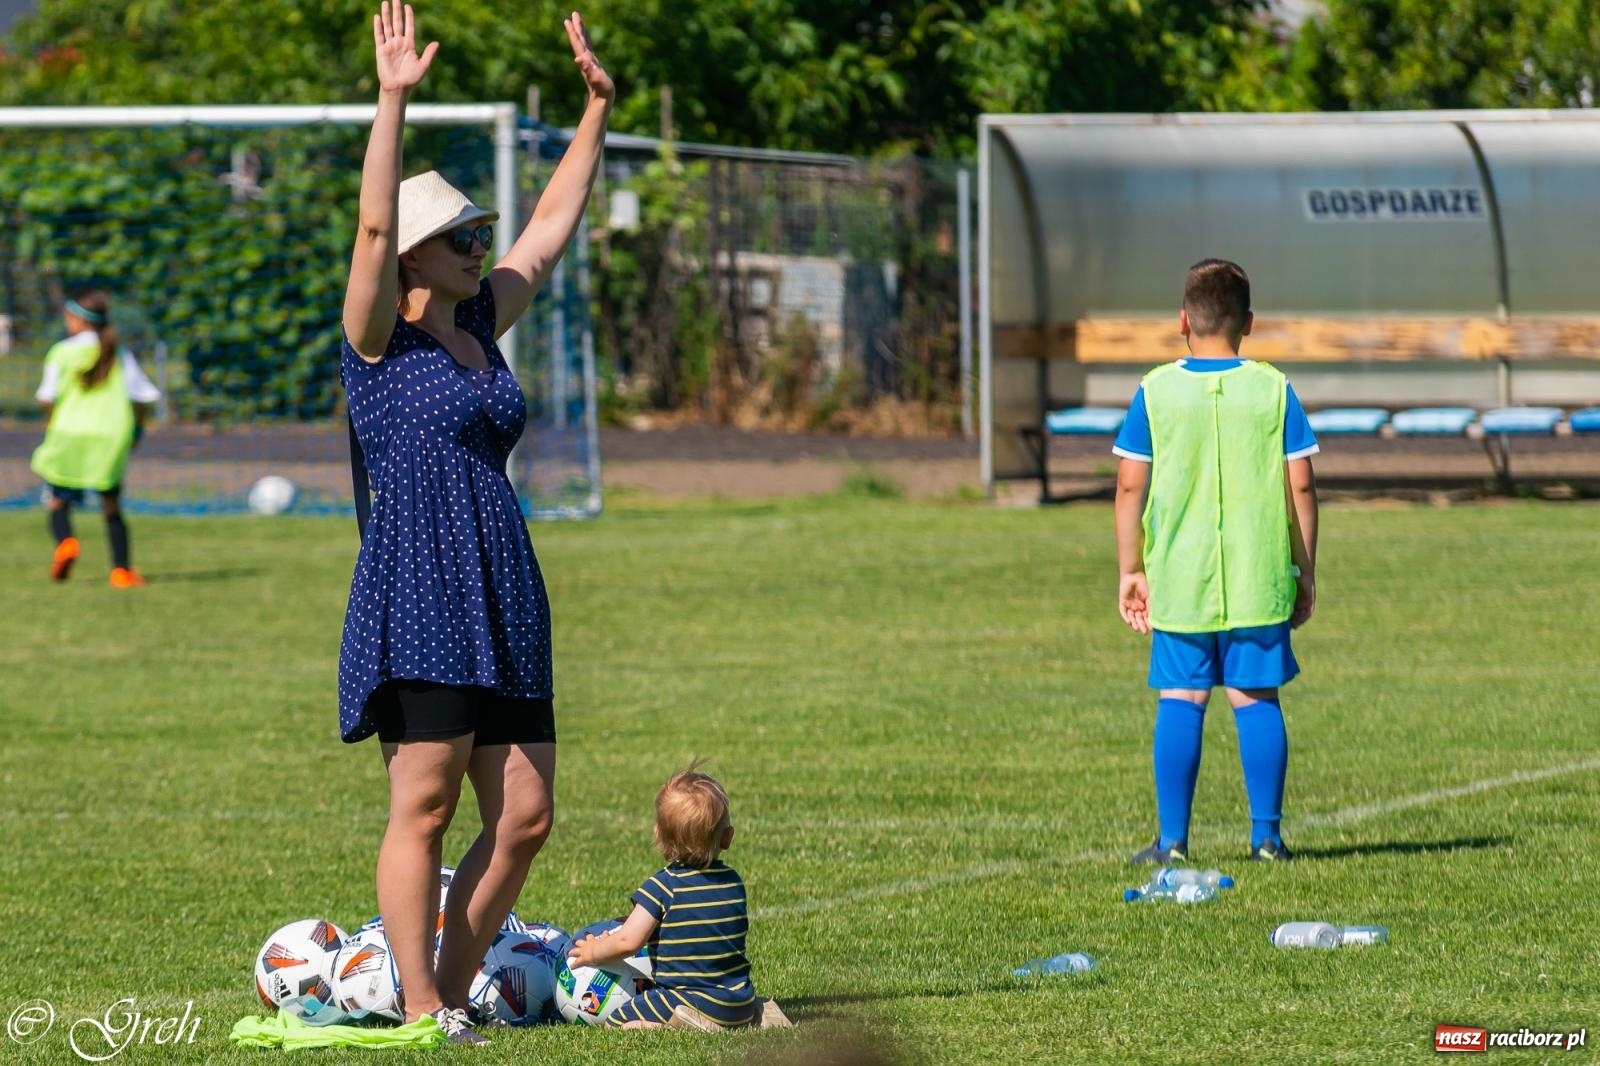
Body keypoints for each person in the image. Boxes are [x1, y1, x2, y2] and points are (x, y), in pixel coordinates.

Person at [337, 1, 612, 1045]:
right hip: (419, 587)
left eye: (477, 234)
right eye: (459, 237)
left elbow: (548, 231)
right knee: (426, 807)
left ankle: (452, 989)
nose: (479, 245)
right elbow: (371, 228)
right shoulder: (376, 342)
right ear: (414, 257)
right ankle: (421, 1003)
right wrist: (392, 99)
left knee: (527, 817)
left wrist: (596, 112)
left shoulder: (481, 323)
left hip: (502, 584)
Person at [1112, 258, 1319, 865]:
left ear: (1183, 321)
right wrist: (1304, 569)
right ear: (1248, 322)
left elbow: (1129, 485)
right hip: (1258, 577)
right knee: (1256, 698)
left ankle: (1173, 841)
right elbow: (1302, 484)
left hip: (1181, 578)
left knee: (1182, 696)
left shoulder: (1154, 391)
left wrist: (1131, 569)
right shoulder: (1274, 389)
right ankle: (1267, 840)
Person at [566, 764, 788, 1031]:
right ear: (727, 837)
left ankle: (681, 1025)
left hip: (689, 1000)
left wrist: (593, 951)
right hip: (741, 1002)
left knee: (616, 1022)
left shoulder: (662, 887)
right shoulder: (733, 882)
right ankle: (758, 1014)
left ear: (658, 835)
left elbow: (628, 941)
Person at [30, 290, 161, 588]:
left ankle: (66, 542)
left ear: (77, 320)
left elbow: (46, 396)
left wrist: (51, 420)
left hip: (69, 434)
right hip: (110, 436)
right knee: (111, 505)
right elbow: (142, 397)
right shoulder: (118, 353)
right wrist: (137, 430)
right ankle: (121, 572)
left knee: (58, 500)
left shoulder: (61, 352)